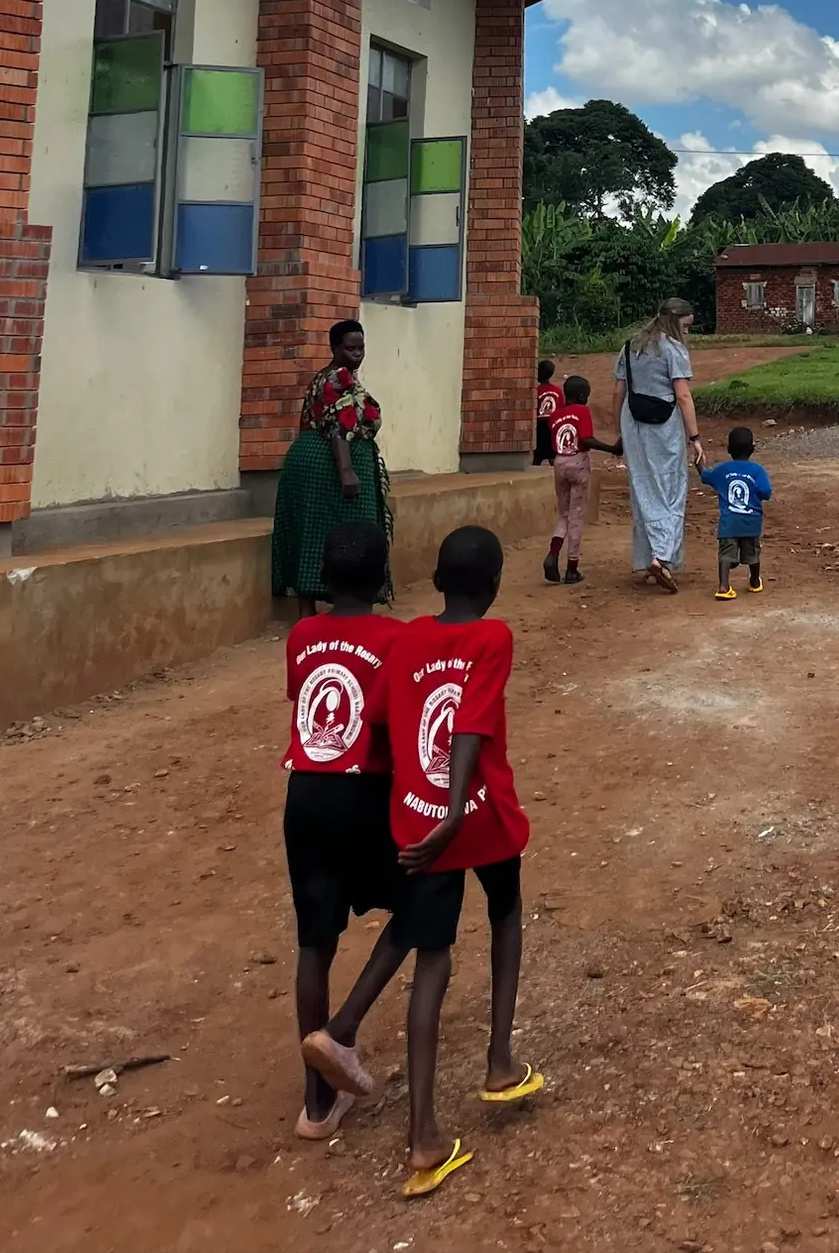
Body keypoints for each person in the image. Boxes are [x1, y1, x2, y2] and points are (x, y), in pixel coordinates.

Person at [373, 526, 539, 1199]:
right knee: (505, 912)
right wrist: (452, 811)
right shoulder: (493, 637)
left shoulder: (406, 638)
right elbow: (470, 721)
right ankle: (500, 1059)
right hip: (479, 818)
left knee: (430, 962)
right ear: (496, 584)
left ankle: (423, 1137)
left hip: (419, 823)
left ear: (437, 581)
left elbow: (383, 722)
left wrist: (422, 811)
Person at [282, 521, 410, 1140]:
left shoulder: (302, 634)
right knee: (420, 906)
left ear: (325, 582)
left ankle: (316, 1107)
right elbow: (393, 726)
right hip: (365, 791)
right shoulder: (397, 638)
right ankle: (342, 1032)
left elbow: (306, 707)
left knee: (314, 941)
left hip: (303, 793)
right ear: (383, 578)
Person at [272, 320, 392, 617]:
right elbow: (340, 427)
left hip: (313, 462)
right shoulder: (338, 378)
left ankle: (306, 609)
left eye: (361, 348)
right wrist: (346, 471)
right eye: (350, 348)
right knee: (354, 534)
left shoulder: (327, 376)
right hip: (329, 465)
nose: (357, 354)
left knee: (312, 531)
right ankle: (351, 608)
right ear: (334, 348)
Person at [613, 297, 703, 593]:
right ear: (675, 321)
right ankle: (661, 556)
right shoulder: (673, 349)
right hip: (663, 428)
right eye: (686, 326)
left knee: (643, 489)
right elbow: (683, 396)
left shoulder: (630, 346)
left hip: (633, 424)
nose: (687, 332)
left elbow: (619, 392)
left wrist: (620, 431)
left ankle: (648, 557)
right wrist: (695, 438)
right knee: (671, 490)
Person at [541, 375, 622, 586]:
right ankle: (571, 569)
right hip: (578, 462)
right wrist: (612, 448)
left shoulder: (555, 415)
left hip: (559, 463)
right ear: (581, 395)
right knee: (576, 517)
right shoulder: (582, 412)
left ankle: (552, 554)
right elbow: (586, 439)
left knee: (564, 514)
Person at [697, 425, 771, 601]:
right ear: (752, 449)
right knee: (753, 554)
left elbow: (705, 477)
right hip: (751, 523)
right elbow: (766, 492)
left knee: (725, 554)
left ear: (729, 449)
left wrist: (698, 462)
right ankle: (754, 581)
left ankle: (724, 587)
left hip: (728, 523)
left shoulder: (723, 469)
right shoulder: (758, 471)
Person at [531, 360, 563, 467]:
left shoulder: (536, 391)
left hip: (539, 426)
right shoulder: (557, 390)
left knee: (537, 455)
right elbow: (561, 407)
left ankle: (535, 474)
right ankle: (555, 476)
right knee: (552, 454)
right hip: (553, 425)